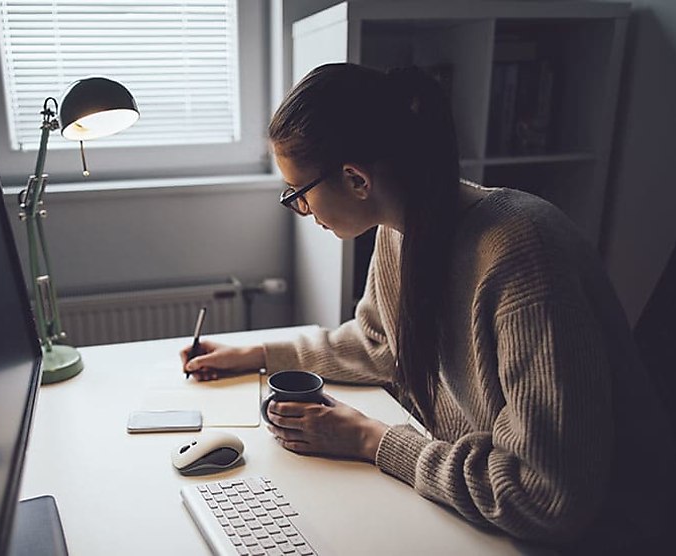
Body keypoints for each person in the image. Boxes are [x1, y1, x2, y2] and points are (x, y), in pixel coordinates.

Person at [180, 63, 675, 553]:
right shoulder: (403, 231)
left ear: (356, 179)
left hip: (596, 535)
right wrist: (257, 354)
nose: (302, 212)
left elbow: (544, 495)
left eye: (299, 196)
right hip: (485, 512)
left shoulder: (524, 255)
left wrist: (374, 441)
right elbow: (379, 343)